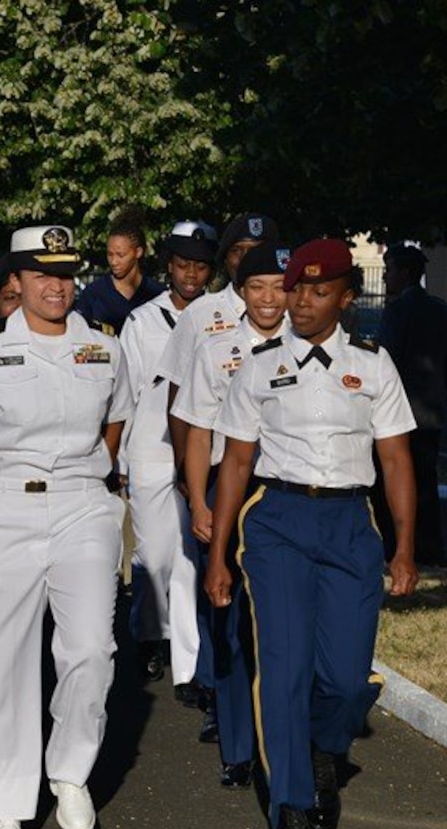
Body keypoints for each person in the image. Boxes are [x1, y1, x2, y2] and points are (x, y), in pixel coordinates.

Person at [204, 238, 418, 829]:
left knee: (348, 680)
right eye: (296, 288)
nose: (300, 301)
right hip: (278, 523)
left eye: (317, 291)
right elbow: (237, 461)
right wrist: (218, 555)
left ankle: (326, 746)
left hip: (351, 523)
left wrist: (406, 546)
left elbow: (396, 459)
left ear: (347, 298)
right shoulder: (259, 364)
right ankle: (290, 819)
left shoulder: (375, 366)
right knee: (285, 667)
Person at [0, 225, 132, 829]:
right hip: (5, 506)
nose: (56, 286)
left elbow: (115, 423)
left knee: (92, 648)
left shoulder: (104, 348)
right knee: (1, 654)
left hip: (83, 504)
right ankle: (6, 797)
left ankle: (70, 772)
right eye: (40, 274)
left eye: (64, 273)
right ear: (16, 283)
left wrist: (89, 483)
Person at [174, 241, 290, 780]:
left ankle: (284, 737)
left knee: (278, 623)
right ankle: (239, 747)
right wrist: (199, 500)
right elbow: (198, 432)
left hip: (285, 489)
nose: (270, 299)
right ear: (242, 294)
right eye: (258, 287)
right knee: (229, 622)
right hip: (228, 488)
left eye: (280, 287)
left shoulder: (307, 347)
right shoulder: (217, 349)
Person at [158, 212, 279, 711]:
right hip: (217, 470)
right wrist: (189, 482)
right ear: (226, 260)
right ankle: (216, 690)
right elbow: (181, 403)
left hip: (277, 474)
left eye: (261, 249)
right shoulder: (202, 315)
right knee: (219, 588)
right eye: (239, 251)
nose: (250, 259)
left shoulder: (292, 315)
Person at [116, 222, 215, 692]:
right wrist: (119, 465)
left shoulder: (223, 317)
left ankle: (190, 664)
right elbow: (126, 393)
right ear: (168, 267)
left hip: (204, 454)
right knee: (153, 557)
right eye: (182, 265)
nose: (191, 275)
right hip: (151, 451)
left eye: (199, 266)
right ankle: (150, 634)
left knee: (189, 558)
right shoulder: (142, 321)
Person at [372, 245, 447, 565]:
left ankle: (394, 548)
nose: (384, 277)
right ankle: (430, 550)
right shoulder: (442, 310)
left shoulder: (397, 312)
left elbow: (383, 361)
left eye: (389, 269)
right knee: (425, 486)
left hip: (397, 414)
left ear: (405, 273)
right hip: (431, 412)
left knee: (389, 486)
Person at [74, 211, 164, 329]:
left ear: (138, 252)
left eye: (120, 255)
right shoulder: (93, 295)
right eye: (110, 255)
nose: (113, 262)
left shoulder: (157, 295)